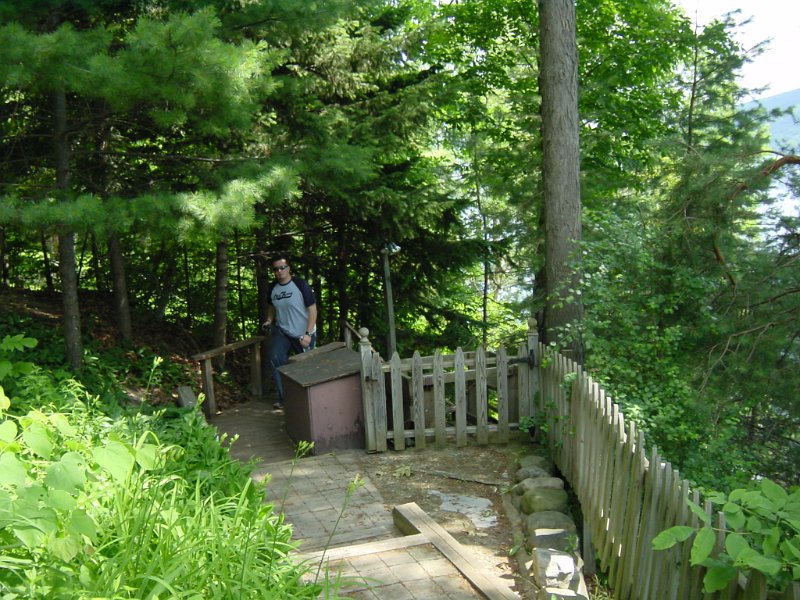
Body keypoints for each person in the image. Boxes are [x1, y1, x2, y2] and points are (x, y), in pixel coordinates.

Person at [262, 253, 317, 409]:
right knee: (275, 358)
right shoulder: (273, 287)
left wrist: (308, 334)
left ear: (288, 268)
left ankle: (309, 400)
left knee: (307, 366)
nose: (279, 271)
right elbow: (271, 305)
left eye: (282, 267)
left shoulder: (300, 285)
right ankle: (284, 399)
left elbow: (313, 310)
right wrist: (269, 320)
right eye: (276, 269)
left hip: (303, 333)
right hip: (283, 331)